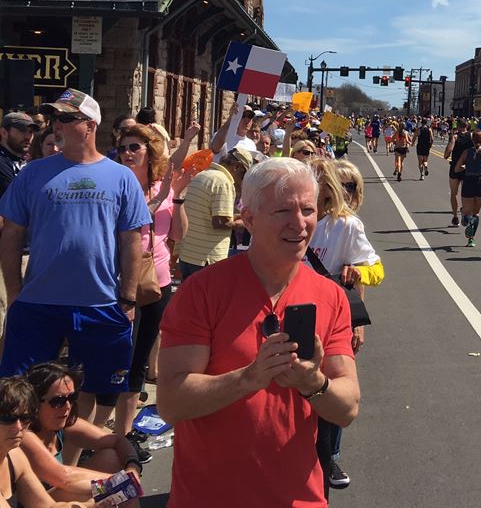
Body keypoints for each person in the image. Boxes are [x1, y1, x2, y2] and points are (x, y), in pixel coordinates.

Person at [157, 158, 360, 508]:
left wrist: (313, 384)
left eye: (308, 210)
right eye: (283, 210)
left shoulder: (330, 296)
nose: (299, 223)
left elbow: (347, 408)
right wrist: (249, 378)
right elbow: (171, 402)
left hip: (299, 498)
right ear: (248, 219)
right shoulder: (202, 291)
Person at [0, 89, 150, 440]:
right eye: (54, 119)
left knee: (94, 390)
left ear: (90, 125)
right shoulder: (33, 173)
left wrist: (127, 298)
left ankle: (70, 460)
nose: (56, 125)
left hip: (99, 303)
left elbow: (132, 239)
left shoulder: (121, 176)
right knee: (18, 390)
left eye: (66, 119)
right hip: (38, 304)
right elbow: (10, 234)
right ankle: (23, 465)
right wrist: (14, 293)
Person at [111, 125, 191, 455]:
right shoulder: (115, 184)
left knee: (140, 361)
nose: (127, 153)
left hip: (157, 283)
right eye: (122, 148)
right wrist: (161, 197)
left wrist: (179, 196)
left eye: (134, 147)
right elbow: (136, 220)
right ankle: (103, 431)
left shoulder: (164, 186)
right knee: (118, 359)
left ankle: (124, 433)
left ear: (150, 152)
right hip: (122, 283)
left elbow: (178, 233)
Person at [307, 159, 383, 492]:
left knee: (331, 388)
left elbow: (375, 270)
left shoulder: (347, 226)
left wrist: (357, 276)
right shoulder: (296, 214)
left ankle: (329, 456)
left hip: (332, 319)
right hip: (291, 314)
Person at [20, 363, 142, 503]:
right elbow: (64, 477)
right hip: (40, 503)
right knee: (112, 489)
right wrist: (118, 482)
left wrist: (133, 467)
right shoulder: (24, 435)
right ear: (34, 403)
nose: (67, 407)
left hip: (57, 494)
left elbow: (117, 440)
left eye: (71, 398)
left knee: (112, 458)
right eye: (58, 401)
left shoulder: (63, 423)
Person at [0, 375, 95, 508]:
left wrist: (87, 505)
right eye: (8, 419)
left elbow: (47, 505)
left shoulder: (15, 456)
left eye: (25, 418)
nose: (18, 427)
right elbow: (64, 478)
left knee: (96, 493)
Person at [174, 147, 251, 282]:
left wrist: (240, 217)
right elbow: (220, 222)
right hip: (207, 259)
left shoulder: (203, 175)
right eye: (243, 175)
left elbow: (210, 215)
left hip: (189, 254)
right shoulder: (223, 182)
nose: (242, 180)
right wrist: (246, 224)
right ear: (236, 167)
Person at [454, 131, 481, 247]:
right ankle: (471, 239)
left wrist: (465, 167)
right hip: (480, 183)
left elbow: (456, 169)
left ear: (472, 140)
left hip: (468, 181)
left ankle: (466, 217)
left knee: (467, 211)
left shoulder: (466, 152)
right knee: (476, 213)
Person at [0, 112, 37, 203]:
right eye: (22, 130)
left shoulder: (28, 161)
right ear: (4, 132)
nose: (28, 137)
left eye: (31, 132)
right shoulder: (2, 162)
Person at [443, 120, 473, 227]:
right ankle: (464, 212)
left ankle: (455, 216)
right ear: (467, 126)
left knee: (454, 193)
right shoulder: (471, 136)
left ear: (458, 126)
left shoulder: (455, 137)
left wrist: (446, 155)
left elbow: (449, 149)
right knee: (465, 194)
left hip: (455, 167)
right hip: (467, 168)